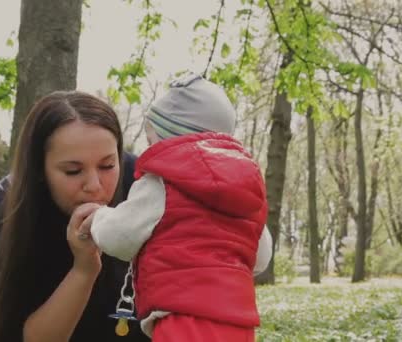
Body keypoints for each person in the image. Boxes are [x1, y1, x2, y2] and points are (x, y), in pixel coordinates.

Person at [80, 74, 273, 341]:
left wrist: (99, 217)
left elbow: (120, 237)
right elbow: (260, 257)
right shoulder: (247, 192)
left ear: (169, 140)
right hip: (237, 323)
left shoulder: (162, 183)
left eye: (151, 141)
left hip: (182, 316)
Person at [0, 90, 150, 341]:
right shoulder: (2, 212)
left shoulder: (143, 187)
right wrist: (83, 270)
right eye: (72, 171)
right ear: (39, 170)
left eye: (108, 166)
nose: (94, 185)